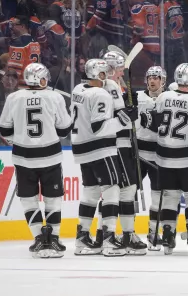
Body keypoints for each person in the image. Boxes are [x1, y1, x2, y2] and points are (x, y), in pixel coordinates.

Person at [0, 63, 72, 258]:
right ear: (42, 79)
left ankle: (39, 238)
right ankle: (54, 239)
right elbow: (64, 130)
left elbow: (4, 131)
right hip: (51, 157)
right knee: (53, 199)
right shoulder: (55, 97)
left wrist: (22, 139)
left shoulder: (13, 98)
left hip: (23, 158)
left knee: (28, 199)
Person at [70, 59, 138, 257]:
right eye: (104, 73)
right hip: (101, 148)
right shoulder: (101, 94)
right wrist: (125, 119)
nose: (107, 75)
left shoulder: (77, 90)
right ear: (99, 74)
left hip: (81, 148)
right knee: (112, 190)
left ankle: (82, 240)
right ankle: (108, 239)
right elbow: (99, 128)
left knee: (90, 192)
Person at [140, 63, 188, 255]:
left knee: (169, 197)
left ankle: (168, 235)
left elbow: (153, 123)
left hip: (164, 158)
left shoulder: (163, 97)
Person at [100, 51, 148, 255]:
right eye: (119, 67)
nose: (122, 70)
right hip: (115, 144)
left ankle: (127, 234)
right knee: (115, 191)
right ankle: (108, 235)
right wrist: (128, 109)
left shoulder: (117, 86)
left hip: (125, 143)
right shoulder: (108, 88)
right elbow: (116, 117)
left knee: (128, 188)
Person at [136, 66, 167, 251]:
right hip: (138, 153)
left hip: (159, 154)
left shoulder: (168, 99)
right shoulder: (137, 97)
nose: (152, 81)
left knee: (158, 198)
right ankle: (128, 232)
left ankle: (154, 232)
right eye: (150, 77)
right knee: (128, 195)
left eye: (156, 77)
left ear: (163, 80)